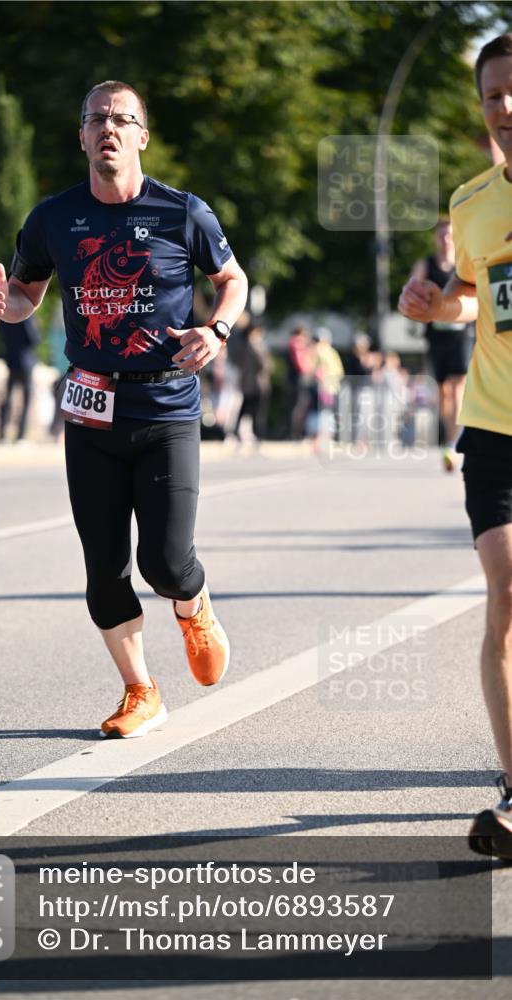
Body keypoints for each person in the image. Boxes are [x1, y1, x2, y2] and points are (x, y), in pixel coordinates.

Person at [0, 80, 248, 737]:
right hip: (90, 408)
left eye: (122, 119)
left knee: (163, 560)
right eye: (96, 118)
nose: (109, 128)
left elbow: (232, 280)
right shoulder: (52, 218)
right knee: (103, 568)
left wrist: (215, 332)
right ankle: (140, 690)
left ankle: (193, 604)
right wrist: (3, 307)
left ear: (141, 136)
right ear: (80, 135)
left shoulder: (183, 213)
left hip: (165, 405)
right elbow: (26, 293)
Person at [399, 33, 512, 861]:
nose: (503, 109)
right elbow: (472, 301)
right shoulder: (472, 203)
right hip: (496, 424)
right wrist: (433, 306)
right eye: (492, 97)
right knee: (505, 592)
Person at [409, 219, 470, 471]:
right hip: (436, 338)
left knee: (457, 390)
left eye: (449, 236)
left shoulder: (464, 265)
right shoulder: (426, 265)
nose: (445, 240)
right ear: (436, 239)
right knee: (444, 393)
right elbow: (411, 291)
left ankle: (453, 444)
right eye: (442, 235)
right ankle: (451, 437)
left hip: (461, 336)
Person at [0, 316, 41, 444]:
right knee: (26, 400)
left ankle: (2, 434)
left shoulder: (4, 315)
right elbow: (33, 338)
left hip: (11, 359)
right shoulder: (25, 314)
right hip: (25, 362)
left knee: (8, 398)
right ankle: (20, 436)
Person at [233, 322, 272, 443]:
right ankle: (258, 433)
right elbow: (264, 364)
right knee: (257, 410)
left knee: (245, 408)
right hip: (257, 383)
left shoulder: (242, 345)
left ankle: (237, 431)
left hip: (247, 382)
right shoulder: (255, 345)